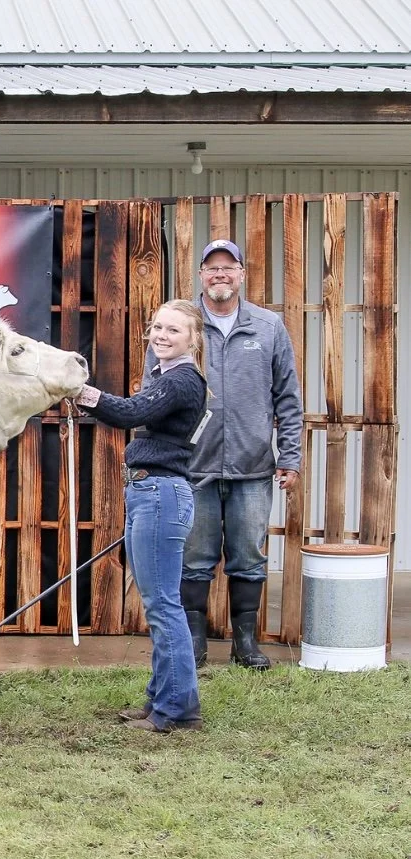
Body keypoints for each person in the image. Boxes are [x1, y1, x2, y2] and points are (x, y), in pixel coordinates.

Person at [152, 240, 303, 671]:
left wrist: (289, 457)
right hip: (192, 467)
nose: (220, 275)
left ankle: (246, 644)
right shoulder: (182, 325)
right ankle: (196, 644)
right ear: (201, 275)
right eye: (211, 268)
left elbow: (288, 398)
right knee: (194, 557)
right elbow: (154, 395)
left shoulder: (268, 327)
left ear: (241, 274)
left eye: (228, 267)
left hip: (253, 466)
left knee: (249, 556)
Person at [76, 299, 207, 732]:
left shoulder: (182, 381)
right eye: (157, 328)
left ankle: (177, 711)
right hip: (149, 491)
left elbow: (132, 413)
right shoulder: (164, 378)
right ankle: (161, 702)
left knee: (164, 605)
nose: (162, 336)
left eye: (174, 330)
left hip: (161, 494)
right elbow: (135, 410)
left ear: (193, 339)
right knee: (159, 605)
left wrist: (80, 391)